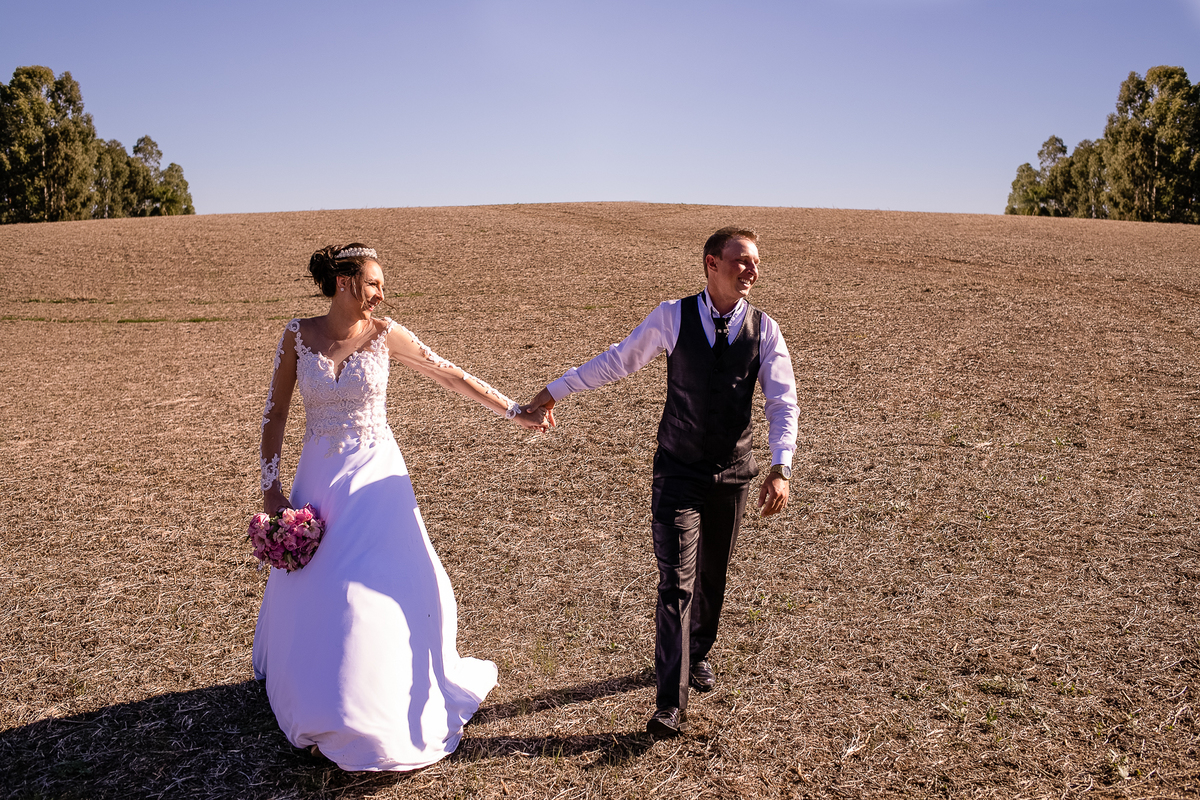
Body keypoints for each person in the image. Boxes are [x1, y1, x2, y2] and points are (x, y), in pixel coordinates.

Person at [252, 243, 547, 771]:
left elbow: (448, 373)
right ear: (344, 283)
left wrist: (515, 410)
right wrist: (272, 488)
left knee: (371, 589)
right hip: (319, 480)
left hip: (377, 481)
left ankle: (373, 706)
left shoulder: (387, 334)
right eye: (373, 284)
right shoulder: (297, 335)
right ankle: (320, 698)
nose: (381, 294)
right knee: (322, 590)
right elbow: (275, 415)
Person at [524, 227, 799, 738]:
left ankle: (699, 653)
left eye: (756, 262)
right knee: (675, 583)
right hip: (677, 471)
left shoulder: (767, 331)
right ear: (711, 263)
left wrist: (781, 466)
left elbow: (782, 401)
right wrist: (556, 389)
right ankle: (669, 705)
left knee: (711, 580)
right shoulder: (672, 316)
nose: (752, 271)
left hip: (735, 475)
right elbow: (618, 361)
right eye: (741, 261)